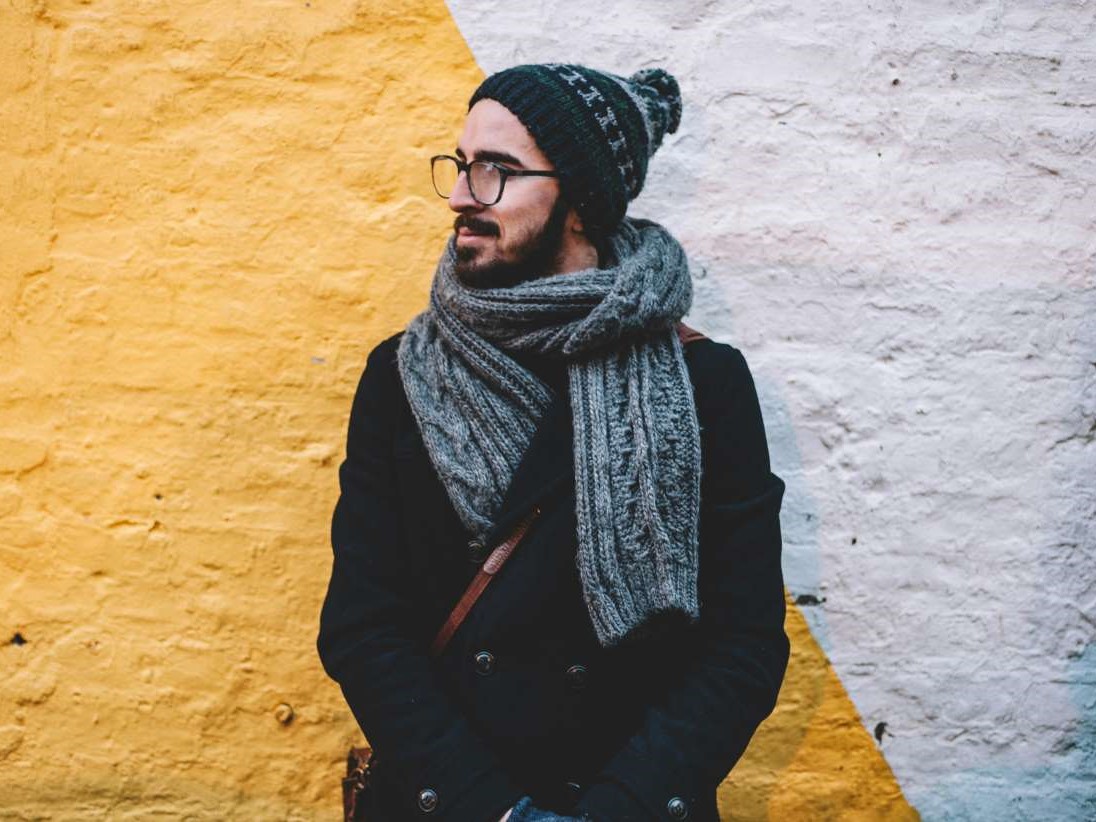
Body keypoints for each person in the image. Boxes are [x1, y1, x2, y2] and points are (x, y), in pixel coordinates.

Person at [317, 63, 789, 822]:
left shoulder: (706, 383)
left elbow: (744, 645)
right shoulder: (403, 377)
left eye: (498, 171)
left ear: (582, 200)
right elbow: (362, 627)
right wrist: (499, 811)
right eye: (463, 164)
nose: (462, 195)